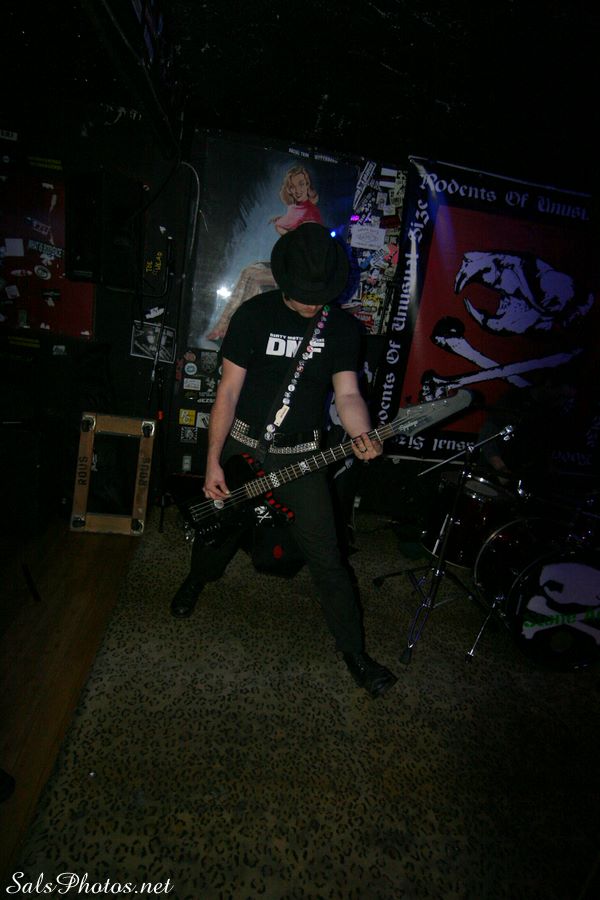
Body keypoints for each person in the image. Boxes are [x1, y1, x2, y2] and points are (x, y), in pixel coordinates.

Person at [172, 223, 397, 699]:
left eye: (319, 296)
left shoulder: (342, 329)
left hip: (303, 459)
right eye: (302, 295)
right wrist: (212, 461)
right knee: (219, 532)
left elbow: (348, 394)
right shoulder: (252, 315)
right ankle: (197, 579)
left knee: (328, 559)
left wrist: (362, 433)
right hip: (242, 446)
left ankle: (355, 653)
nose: (311, 304)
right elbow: (227, 392)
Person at [205, 166, 324, 341]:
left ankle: (235, 329)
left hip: (300, 274)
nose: (297, 190)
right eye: (293, 186)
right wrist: (283, 226)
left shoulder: (308, 210)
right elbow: (292, 233)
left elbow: (302, 242)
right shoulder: (298, 208)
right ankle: (224, 325)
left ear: (307, 185)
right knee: (248, 270)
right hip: (291, 266)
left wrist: (282, 227)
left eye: (301, 184)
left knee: (254, 278)